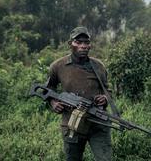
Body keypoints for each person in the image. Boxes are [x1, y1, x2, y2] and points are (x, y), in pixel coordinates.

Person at [46, 26, 112, 161]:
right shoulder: (58, 66)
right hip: (72, 125)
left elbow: (108, 90)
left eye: (86, 42)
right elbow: (49, 89)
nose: (83, 46)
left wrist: (105, 98)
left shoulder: (99, 66)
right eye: (79, 42)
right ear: (70, 44)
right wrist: (53, 103)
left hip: (98, 123)